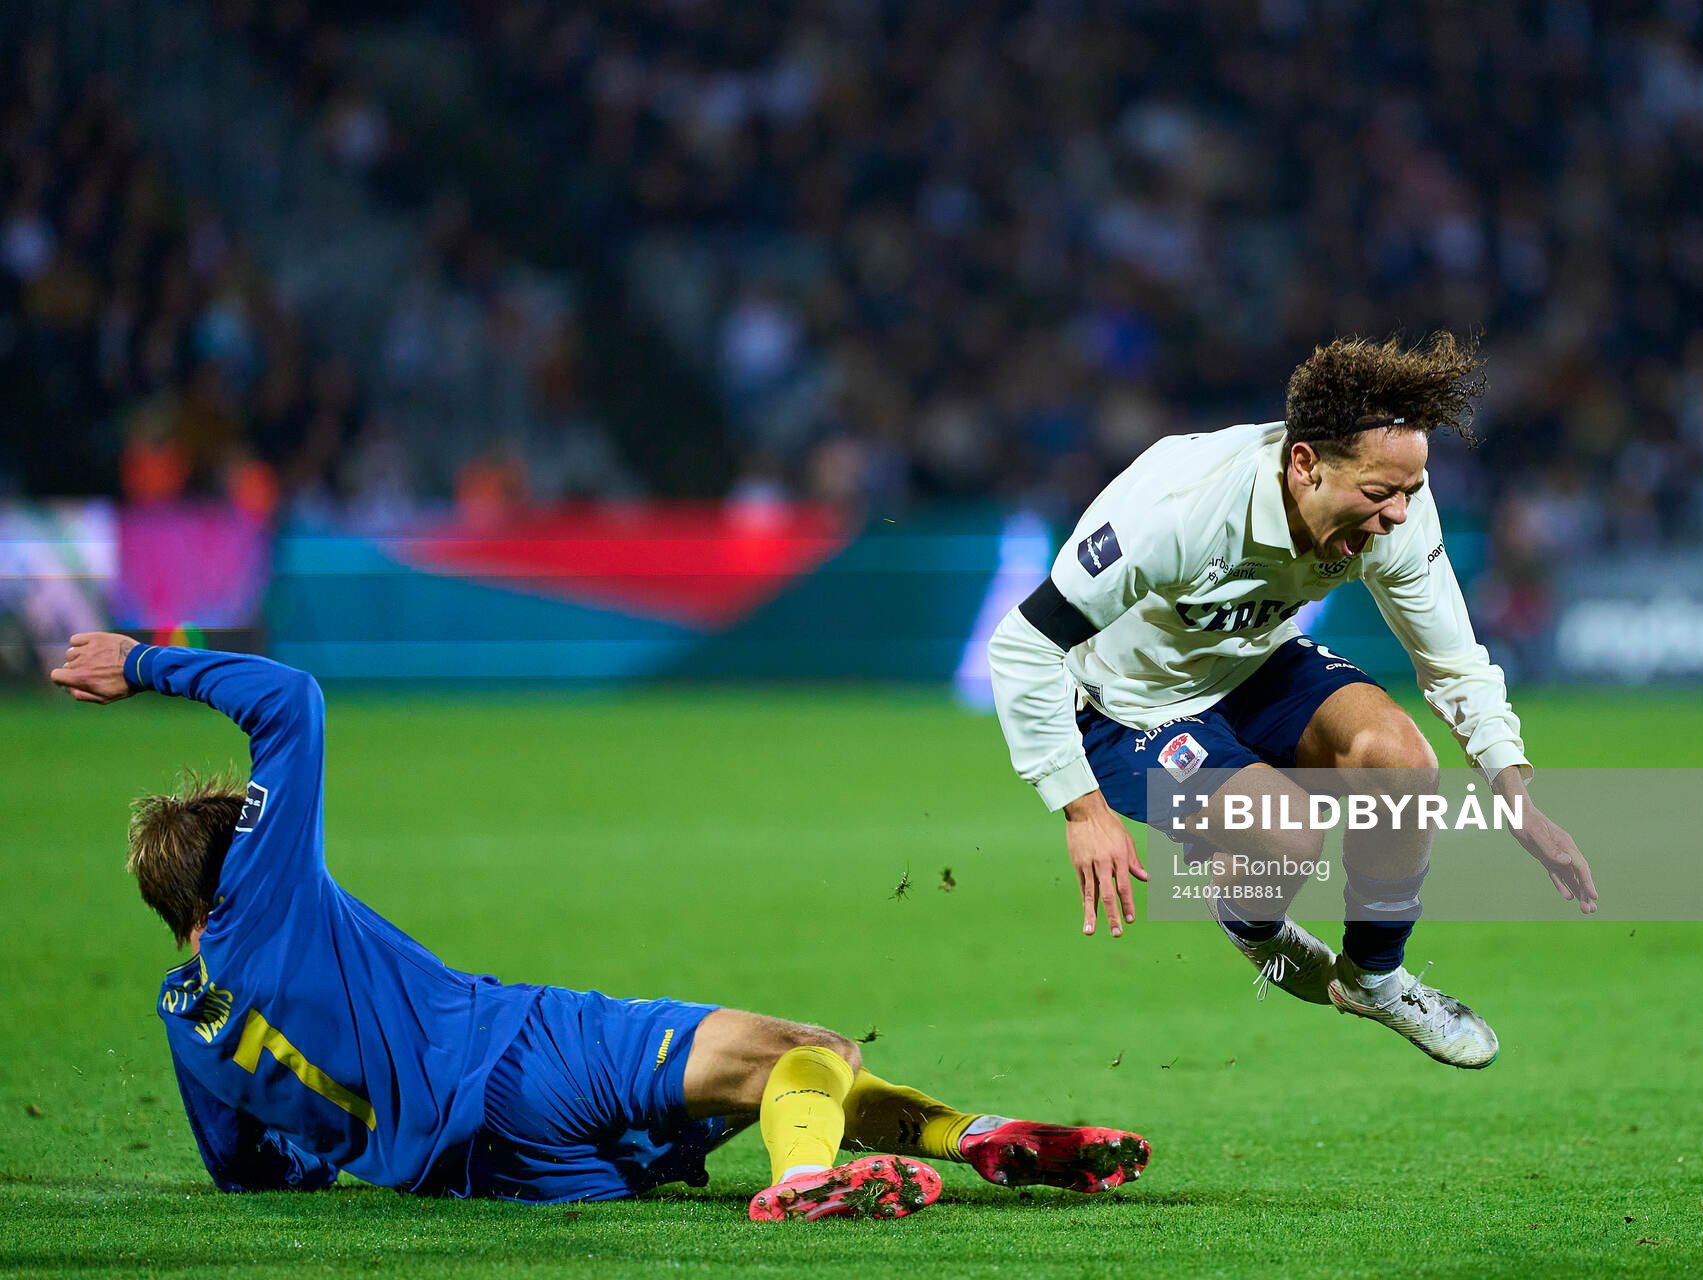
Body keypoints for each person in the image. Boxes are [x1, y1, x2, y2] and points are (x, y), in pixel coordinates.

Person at [51, 633, 1149, 1219]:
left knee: (762, 1084)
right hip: (516, 1048)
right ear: (229, 873)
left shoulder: (187, 1016)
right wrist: (142, 663)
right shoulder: (265, 895)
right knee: (807, 1052)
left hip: (486, 1171)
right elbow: (287, 698)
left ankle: (978, 1136)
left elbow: (252, 1176)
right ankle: (820, 1178)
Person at [987, 332, 1598, 1069]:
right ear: (1304, 463)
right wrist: (1081, 810)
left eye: (1411, 490)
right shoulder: (1179, 509)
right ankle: (1250, 919)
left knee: (1403, 764)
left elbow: (1452, 660)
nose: (1399, 515)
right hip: (1127, 706)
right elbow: (1022, 644)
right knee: (1288, 831)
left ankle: (1375, 977)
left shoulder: (1397, 503)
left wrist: (1512, 791)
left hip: (1254, 663)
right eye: (1380, 494)